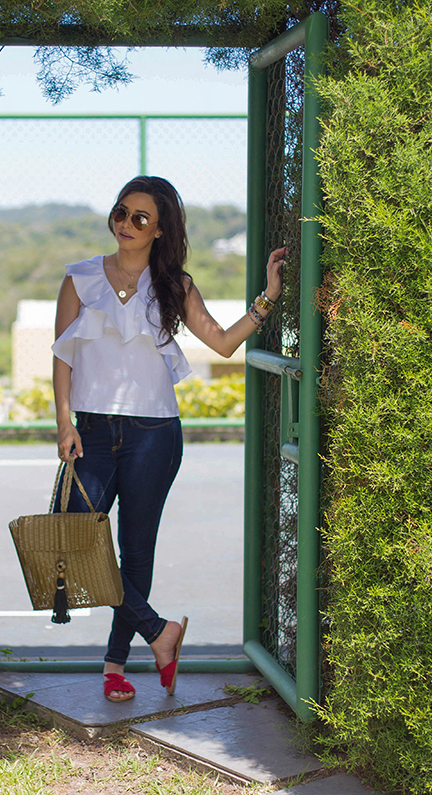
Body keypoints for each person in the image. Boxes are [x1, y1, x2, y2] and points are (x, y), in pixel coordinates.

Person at [51, 175, 285, 703]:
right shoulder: (80, 279)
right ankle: (160, 632)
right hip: (89, 430)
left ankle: (116, 664)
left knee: (135, 551)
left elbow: (223, 343)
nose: (126, 224)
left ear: (159, 231)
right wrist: (64, 422)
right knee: (72, 533)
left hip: (154, 433)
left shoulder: (174, 284)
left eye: (140, 218)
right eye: (120, 213)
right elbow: (62, 357)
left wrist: (267, 298)